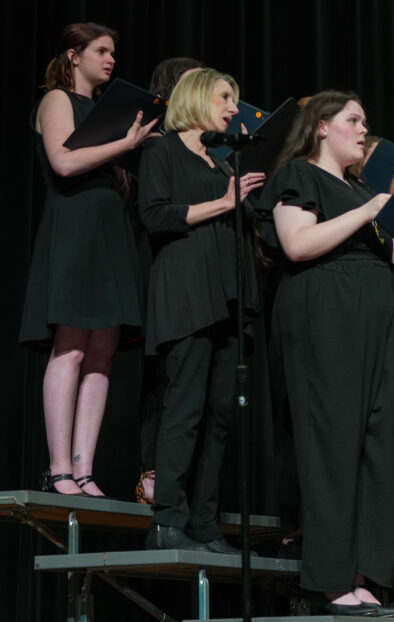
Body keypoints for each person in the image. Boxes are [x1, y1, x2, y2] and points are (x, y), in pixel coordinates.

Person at [257, 90, 394, 616]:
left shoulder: (362, 187)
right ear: (322, 127)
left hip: (377, 315)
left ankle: (366, 570)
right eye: (353, 120)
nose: (364, 130)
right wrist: (367, 209)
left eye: (364, 121)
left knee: (376, 442)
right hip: (326, 311)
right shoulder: (300, 176)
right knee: (332, 441)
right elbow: (296, 244)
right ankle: (328, 576)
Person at [21, 22, 157, 497]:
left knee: (102, 352)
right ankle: (59, 467)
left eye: (113, 52)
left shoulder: (105, 111)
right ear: (74, 56)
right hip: (75, 228)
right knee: (72, 345)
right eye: (102, 50)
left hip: (109, 231)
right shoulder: (58, 100)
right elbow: (63, 161)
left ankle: (84, 470)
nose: (111, 58)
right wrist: (126, 144)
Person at [138, 68, 264, 552]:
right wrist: (225, 201)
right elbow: (155, 215)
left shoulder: (222, 161)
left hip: (228, 298)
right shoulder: (161, 150)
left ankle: (205, 526)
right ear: (194, 98)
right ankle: (167, 521)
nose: (234, 107)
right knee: (186, 409)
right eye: (226, 97)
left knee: (219, 416)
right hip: (188, 295)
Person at [136, 55, 205, 506]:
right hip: (159, 260)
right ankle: (153, 471)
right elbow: (154, 212)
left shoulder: (211, 151)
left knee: (195, 386)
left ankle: (187, 482)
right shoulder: (155, 145)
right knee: (165, 374)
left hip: (200, 268)